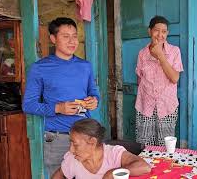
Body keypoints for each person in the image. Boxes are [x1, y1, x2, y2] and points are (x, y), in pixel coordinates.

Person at [22, 17, 99, 176]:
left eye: (74, 36)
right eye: (66, 36)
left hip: (85, 136)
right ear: (53, 39)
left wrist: (94, 100)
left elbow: (94, 92)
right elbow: (28, 105)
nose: (72, 41)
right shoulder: (40, 68)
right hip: (57, 139)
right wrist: (58, 108)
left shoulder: (85, 66)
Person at [135, 15, 184, 146]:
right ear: (149, 31)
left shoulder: (174, 52)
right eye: (157, 30)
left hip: (167, 106)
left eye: (164, 31)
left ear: (167, 33)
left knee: (166, 146)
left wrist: (161, 55)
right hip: (145, 106)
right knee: (144, 145)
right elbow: (139, 78)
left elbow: (174, 78)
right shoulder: (142, 54)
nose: (160, 35)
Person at [51, 118, 151, 179]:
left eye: (75, 145)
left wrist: (111, 173)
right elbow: (60, 175)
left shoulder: (113, 154)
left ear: (92, 142)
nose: (71, 150)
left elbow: (144, 167)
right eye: (71, 143)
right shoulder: (73, 159)